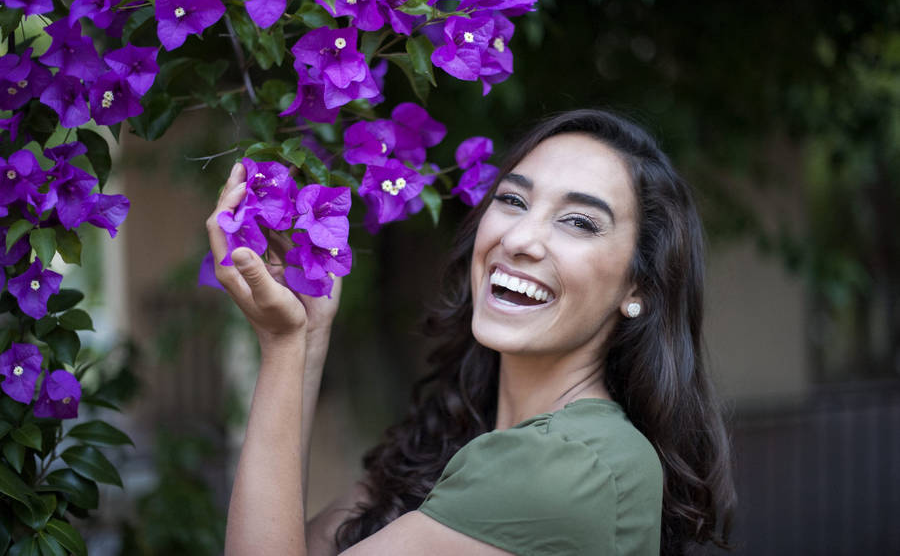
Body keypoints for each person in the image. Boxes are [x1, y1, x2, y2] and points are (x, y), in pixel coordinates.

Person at [207, 109, 736, 556]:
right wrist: (309, 338)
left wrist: (282, 348)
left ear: (636, 287)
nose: (521, 238)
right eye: (513, 200)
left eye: (578, 222)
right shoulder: (455, 441)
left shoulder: (577, 462)